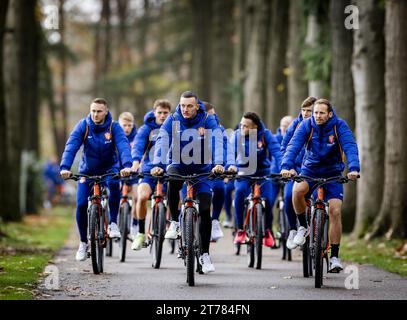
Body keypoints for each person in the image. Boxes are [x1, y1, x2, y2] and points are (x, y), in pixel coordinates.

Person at [280, 98, 360, 272]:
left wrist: (353, 168)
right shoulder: (307, 125)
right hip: (310, 171)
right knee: (296, 191)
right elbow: (294, 145)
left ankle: (335, 257)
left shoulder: (339, 126)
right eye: (315, 112)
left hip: (333, 173)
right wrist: (286, 166)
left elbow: (350, 146)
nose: (317, 116)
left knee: (335, 211)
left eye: (321, 113)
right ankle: (302, 226)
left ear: (329, 114)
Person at [151, 91, 224, 274]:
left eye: (189, 106)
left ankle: (205, 255)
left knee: (206, 208)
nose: (185, 109)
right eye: (183, 105)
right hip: (178, 164)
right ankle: (175, 221)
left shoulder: (207, 119)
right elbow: (162, 139)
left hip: (202, 170)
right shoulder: (173, 118)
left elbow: (217, 140)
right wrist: (159, 164)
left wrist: (218, 163)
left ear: (197, 106)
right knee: (172, 181)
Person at [60, 98, 132, 261]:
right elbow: (71, 146)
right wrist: (65, 167)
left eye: (99, 111)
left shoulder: (114, 127)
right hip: (87, 171)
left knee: (115, 185)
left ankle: (113, 222)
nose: (95, 114)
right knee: (81, 204)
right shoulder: (83, 126)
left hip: (109, 169)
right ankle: (83, 243)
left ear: (106, 111)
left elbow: (123, 145)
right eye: (93, 110)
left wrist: (127, 165)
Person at [227, 112, 282, 248]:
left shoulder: (265, 135)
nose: (242, 128)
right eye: (241, 125)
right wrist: (231, 165)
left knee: (268, 201)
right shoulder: (237, 135)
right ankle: (240, 229)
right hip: (243, 172)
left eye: (245, 126)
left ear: (254, 127)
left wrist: (283, 168)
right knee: (239, 193)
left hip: (263, 173)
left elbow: (277, 152)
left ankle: (268, 231)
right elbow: (230, 153)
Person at [130, 99, 172, 250]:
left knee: (178, 197)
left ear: (170, 114)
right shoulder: (146, 128)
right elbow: (138, 145)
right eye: (159, 113)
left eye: (165, 113)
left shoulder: (175, 128)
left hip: (169, 171)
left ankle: (175, 225)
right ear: (154, 113)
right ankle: (141, 233)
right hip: (148, 171)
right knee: (142, 197)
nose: (162, 116)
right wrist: (135, 162)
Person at [280, 97, 315, 249]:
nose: (306, 113)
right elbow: (285, 148)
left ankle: (320, 233)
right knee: (288, 196)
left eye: (310, 111)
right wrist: (288, 167)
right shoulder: (295, 125)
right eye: (304, 110)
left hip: (313, 171)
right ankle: (294, 230)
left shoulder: (321, 127)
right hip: (294, 171)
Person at [118, 112, 139, 237]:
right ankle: (112, 222)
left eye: (129, 125)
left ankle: (135, 223)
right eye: (124, 125)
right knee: (114, 195)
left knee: (136, 196)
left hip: (134, 171)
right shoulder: (115, 136)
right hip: (118, 171)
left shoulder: (137, 136)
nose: (126, 128)